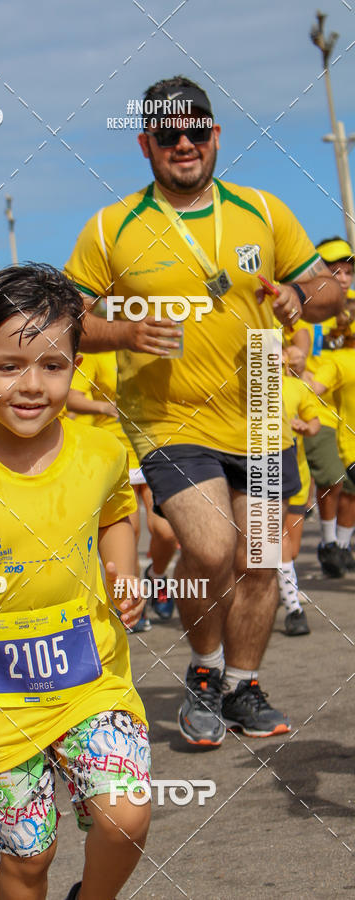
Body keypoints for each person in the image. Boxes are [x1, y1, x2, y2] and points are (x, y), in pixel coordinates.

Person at [65, 74, 343, 746]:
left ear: (215, 135)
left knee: (260, 560)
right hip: (170, 418)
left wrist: (301, 300)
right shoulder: (110, 227)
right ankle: (204, 669)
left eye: (196, 130)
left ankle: (242, 685)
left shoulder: (263, 211)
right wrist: (124, 331)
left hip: (261, 408)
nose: (184, 144)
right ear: (146, 144)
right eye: (169, 135)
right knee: (211, 545)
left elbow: (329, 289)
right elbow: (66, 319)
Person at [0, 264, 151, 900]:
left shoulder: (102, 453)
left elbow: (116, 515)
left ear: (76, 367)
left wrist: (124, 570)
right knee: (28, 860)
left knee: (126, 817)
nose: (32, 385)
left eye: (52, 365)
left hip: (92, 677)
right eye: (8, 366)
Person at [67, 350, 177, 630]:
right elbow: (72, 397)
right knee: (131, 532)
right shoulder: (98, 350)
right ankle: (133, 603)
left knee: (166, 531)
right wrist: (104, 407)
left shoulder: (155, 346)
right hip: (116, 452)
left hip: (155, 448)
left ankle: (158, 576)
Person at [301, 237, 355, 576]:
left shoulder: (353, 309)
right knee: (331, 477)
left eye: (348, 272)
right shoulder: (306, 309)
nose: (344, 279)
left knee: (351, 485)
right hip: (316, 407)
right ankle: (328, 541)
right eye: (336, 272)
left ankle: (342, 547)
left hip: (348, 409)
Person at [279, 359, 321, 636]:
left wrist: (306, 427)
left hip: (297, 475)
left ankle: (281, 585)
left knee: (291, 551)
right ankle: (292, 607)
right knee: (276, 536)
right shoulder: (246, 388)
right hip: (260, 473)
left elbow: (315, 422)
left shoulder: (297, 387)